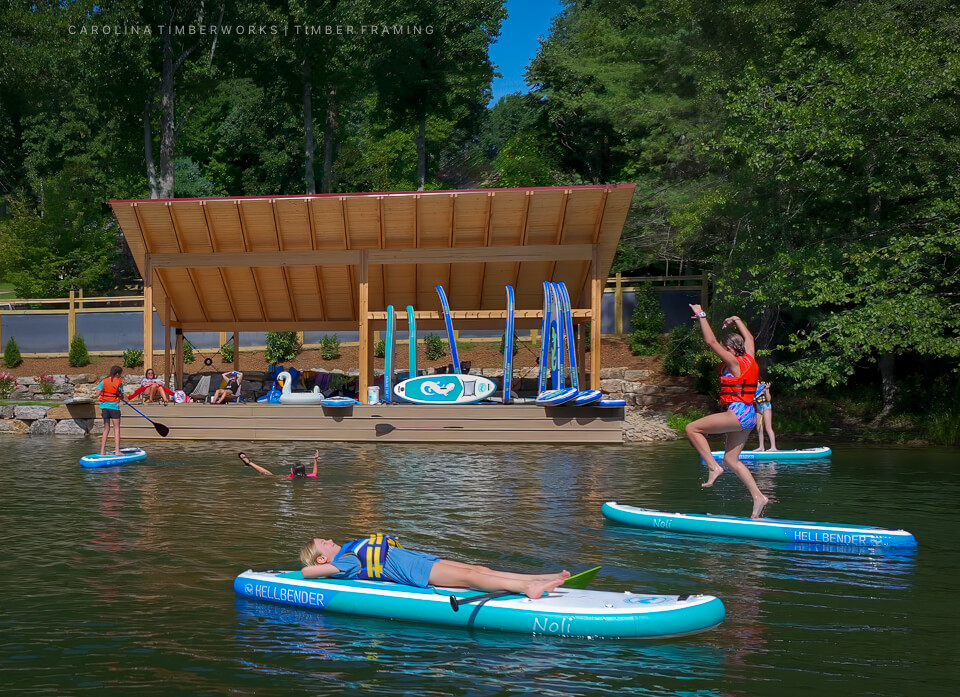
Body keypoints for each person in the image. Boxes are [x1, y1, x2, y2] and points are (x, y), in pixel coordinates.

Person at [684, 305, 770, 518]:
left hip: (739, 413)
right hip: (750, 414)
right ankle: (759, 497)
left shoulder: (734, 363)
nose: (721, 352)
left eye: (725, 348)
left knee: (692, 428)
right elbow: (749, 337)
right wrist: (737, 319)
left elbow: (710, 342)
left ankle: (713, 467)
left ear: (731, 349)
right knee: (731, 460)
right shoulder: (750, 357)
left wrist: (701, 315)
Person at [299, 535, 570, 599]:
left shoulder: (346, 552)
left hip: (416, 560)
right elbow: (306, 572)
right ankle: (527, 587)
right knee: (470, 576)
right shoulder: (343, 561)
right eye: (324, 542)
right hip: (414, 571)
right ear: (322, 559)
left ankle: (539, 577)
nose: (330, 540)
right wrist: (316, 568)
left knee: (478, 568)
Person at [96, 365, 125, 456]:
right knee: (116, 429)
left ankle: (102, 451)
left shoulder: (104, 381)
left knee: (106, 429)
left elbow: (97, 393)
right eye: (120, 374)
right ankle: (117, 451)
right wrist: (119, 396)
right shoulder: (119, 382)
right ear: (117, 373)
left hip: (104, 407)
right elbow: (121, 395)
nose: (120, 376)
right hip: (114, 407)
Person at [238, 451, 318, 478]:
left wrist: (315, 459)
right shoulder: (306, 476)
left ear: (293, 471)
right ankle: (249, 463)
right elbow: (314, 473)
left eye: (292, 468)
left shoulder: (291, 477)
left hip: (283, 478)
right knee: (268, 475)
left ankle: (249, 463)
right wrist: (315, 459)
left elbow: (315, 473)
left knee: (268, 474)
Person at [754, 381, 778, 452]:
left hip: (766, 406)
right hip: (758, 408)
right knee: (759, 428)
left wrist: (767, 390)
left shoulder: (763, 386)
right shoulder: (752, 388)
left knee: (768, 427)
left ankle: (773, 447)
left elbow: (769, 399)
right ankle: (761, 447)